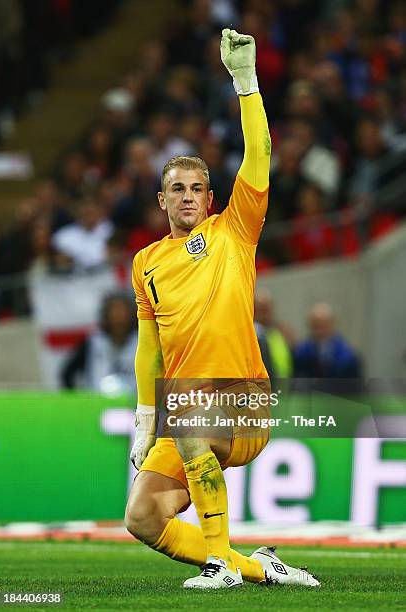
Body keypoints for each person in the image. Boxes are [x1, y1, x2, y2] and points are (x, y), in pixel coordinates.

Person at [125, 29, 320, 590]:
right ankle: (257, 567)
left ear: (211, 199)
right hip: (188, 412)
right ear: (161, 200)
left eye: (197, 188)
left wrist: (246, 84)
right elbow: (149, 348)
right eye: (176, 188)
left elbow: (259, 153)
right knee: (141, 517)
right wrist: (143, 421)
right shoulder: (144, 264)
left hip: (243, 404)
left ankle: (217, 567)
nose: (188, 196)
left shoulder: (235, 231)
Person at [61, 291, 138, 393]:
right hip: (99, 404)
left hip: (136, 405)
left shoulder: (145, 342)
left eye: (123, 311)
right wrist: (77, 400)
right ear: (105, 315)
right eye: (114, 311)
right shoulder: (92, 343)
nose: (119, 317)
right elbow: (67, 373)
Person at [294, 302, 362, 379]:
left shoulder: (347, 356)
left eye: (324, 325)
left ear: (332, 324)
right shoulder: (301, 353)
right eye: (316, 326)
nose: (320, 331)